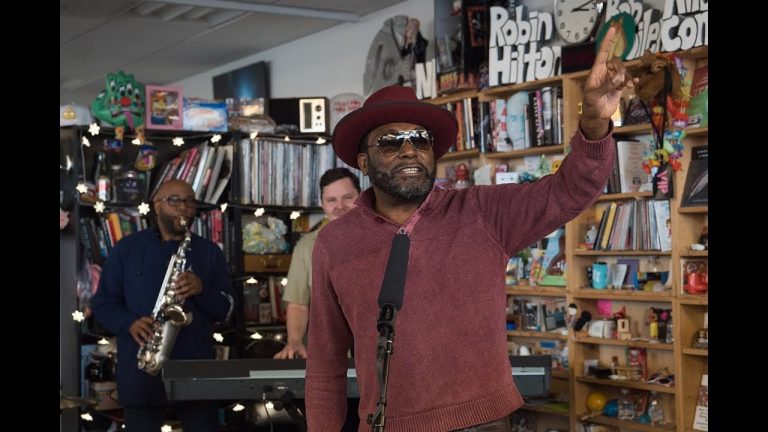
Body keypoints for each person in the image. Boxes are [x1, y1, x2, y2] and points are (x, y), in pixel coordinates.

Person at [305, 23, 636, 431]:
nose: (409, 150)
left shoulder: (481, 210)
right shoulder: (334, 243)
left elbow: (569, 191)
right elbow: (324, 364)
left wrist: (594, 124)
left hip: (486, 423)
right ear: (363, 161)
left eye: (419, 139)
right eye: (390, 142)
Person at [92, 179, 234, 432]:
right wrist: (129, 323)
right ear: (156, 206)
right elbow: (103, 304)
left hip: (196, 370)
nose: (184, 209)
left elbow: (226, 310)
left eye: (190, 202)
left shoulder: (209, 251)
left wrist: (202, 289)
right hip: (143, 371)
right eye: (175, 201)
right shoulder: (126, 249)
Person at [274, 167, 362, 360]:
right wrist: (294, 341)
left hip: (379, 353)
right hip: (328, 353)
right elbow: (298, 303)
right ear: (322, 205)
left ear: (361, 197)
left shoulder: (383, 240)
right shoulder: (306, 247)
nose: (340, 206)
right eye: (331, 200)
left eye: (348, 197)